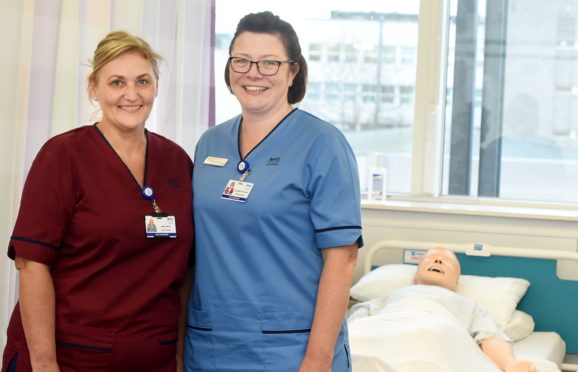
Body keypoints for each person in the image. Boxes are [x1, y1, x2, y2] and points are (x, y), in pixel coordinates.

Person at [2, 31, 194, 372]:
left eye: (142, 81)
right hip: (71, 356)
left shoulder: (177, 161)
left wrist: (179, 355)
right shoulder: (63, 156)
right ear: (95, 88)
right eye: (117, 82)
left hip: (154, 354)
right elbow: (32, 265)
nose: (131, 95)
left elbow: (186, 270)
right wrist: (45, 365)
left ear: (156, 86)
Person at [185, 11, 362, 372]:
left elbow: (341, 260)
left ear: (293, 71)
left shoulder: (323, 144)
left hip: (292, 347)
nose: (253, 72)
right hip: (210, 343)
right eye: (242, 61)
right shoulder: (209, 144)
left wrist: (317, 358)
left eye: (269, 62)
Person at [350, 247, 536, 372]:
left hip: (434, 325)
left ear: (457, 283)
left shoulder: (468, 305)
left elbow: (489, 336)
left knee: (426, 334)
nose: (438, 259)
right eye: (430, 258)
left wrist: (511, 364)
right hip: (384, 325)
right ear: (415, 275)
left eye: (448, 261)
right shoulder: (393, 295)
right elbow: (356, 321)